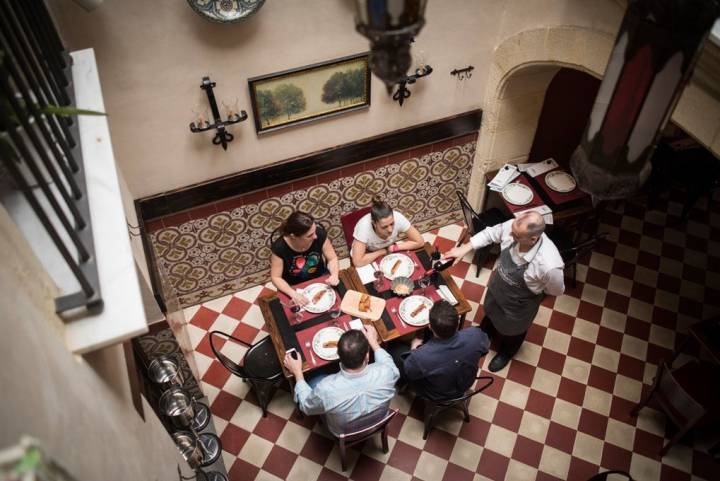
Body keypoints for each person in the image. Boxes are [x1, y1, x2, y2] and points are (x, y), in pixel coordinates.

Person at [444, 211, 564, 372]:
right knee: (492, 310)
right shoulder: (514, 226)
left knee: (514, 331)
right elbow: (491, 233)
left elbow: (556, 290)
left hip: (519, 305)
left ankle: (507, 352)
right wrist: (464, 248)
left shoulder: (549, 265)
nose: (509, 234)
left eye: (515, 235)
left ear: (533, 239)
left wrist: (534, 293)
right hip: (499, 287)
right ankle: (488, 329)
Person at [283, 325, 399, 435]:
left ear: (338, 356)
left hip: (343, 431)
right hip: (378, 422)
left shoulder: (326, 389)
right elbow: (388, 363)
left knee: (314, 378)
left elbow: (306, 407)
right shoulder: (387, 372)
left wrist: (298, 372)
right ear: (367, 356)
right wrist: (374, 342)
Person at [388, 300, 490, 400]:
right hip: (466, 382)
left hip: (437, 394)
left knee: (394, 348)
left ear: (430, 326)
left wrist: (413, 349)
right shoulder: (475, 334)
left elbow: (409, 373)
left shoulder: (420, 356)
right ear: (457, 322)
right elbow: (485, 349)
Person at [270, 211, 339, 307]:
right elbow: (275, 277)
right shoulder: (280, 247)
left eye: (314, 231)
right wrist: (292, 293)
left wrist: (334, 274)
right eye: (309, 235)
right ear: (293, 236)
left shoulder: (319, 234)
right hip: (293, 285)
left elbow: (332, 258)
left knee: (333, 304)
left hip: (320, 276)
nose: (315, 236)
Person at [351, 197, 424, 267]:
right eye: (384, 227)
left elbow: (420, 242)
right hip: (367, 253)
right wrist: (381, 252)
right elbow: (358, 262)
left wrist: (395, 248)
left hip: (389, 248)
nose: (390, 230)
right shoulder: (363, 227)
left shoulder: (398, 217)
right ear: (374, 224)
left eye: (392, 224)